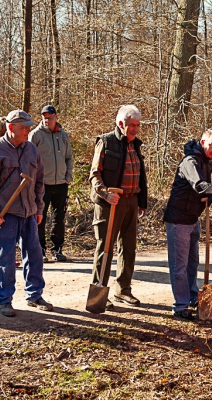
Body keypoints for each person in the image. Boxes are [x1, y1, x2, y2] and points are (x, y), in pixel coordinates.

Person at [0, 109, 52, 317]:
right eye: (24, 128)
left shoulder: (31, 149)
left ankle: (34, 295)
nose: (28, 131)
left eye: (29, 127)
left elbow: (39, 181)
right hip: (5, 215)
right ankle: (4, 300)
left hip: (29, 212)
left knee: (35, 254)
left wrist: (39, 207)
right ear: (11, 128)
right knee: (5, 258)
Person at [164, 129, 212, 321]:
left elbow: (201, 191)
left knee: (192, 263)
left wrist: (210, 197)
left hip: (192, 218)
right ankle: (180, 306)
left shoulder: (205, 161)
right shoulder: (191, 161)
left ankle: (192, 297)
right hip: (178, 220)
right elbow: (199, 185)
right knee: (180, 266)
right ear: (202, 142)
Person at [89, 105, 148, 310]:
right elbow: (94, 175)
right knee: (105, 248)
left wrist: (142, 202)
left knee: (128, 248)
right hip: (110, 203)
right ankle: (99, 292)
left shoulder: (136, 145)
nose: (135, 129)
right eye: (132, 125)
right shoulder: (106, 142)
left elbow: (141, 175)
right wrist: (106, 193)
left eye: (138, 125)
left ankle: (123, 290)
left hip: (131, 201)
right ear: (120, 123)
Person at [29, 105, 74, 262]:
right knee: (40, 218)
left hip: (61, 183)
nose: (46, 120)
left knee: (59, 218)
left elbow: (69, 157)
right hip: (42, 184)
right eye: (44, 117)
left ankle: (58, 249)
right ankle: (40, 250)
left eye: (49, 117)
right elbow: (29, 160)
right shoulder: (35, 135)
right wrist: (34, 181)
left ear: (56, 117)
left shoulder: (63, 135)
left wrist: (68, 176)